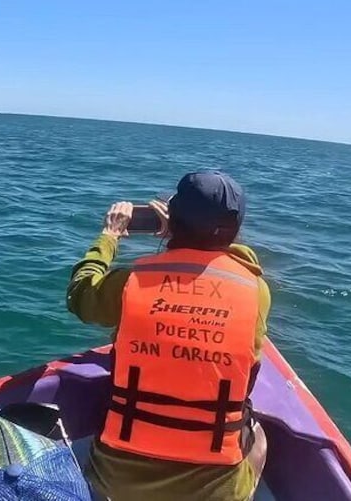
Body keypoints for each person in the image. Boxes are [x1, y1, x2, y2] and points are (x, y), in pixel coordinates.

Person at [66, 171, 270, 501]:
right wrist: (185, 234)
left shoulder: (133, 281)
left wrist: (109, 236)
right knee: (259, 440)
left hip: (117, 479)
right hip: (214, 489)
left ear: (171, 220)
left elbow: (80, 296)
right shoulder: (255, 290)